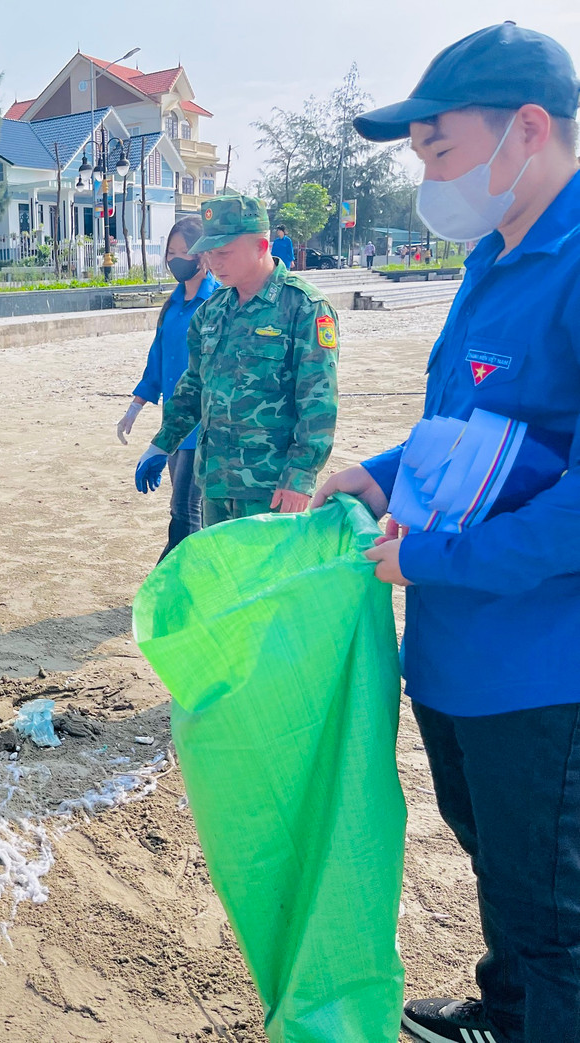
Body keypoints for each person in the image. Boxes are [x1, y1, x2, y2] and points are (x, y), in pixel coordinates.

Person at [312, 23, 580, 1043]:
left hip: (541, 667)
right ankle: (505, 1012)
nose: (426, 178)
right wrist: (368, 478)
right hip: (456, 652)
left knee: (554, 912)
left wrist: (431, 555)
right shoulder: (488, 256)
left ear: (525, 129)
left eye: (437, 150)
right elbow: (456, 436)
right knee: (498, 863)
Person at [134, 193, 338, 525]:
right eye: (210, 252)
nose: (214, 263)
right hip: (215, 482)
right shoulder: (211, 311)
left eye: (224, 253)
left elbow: (318, 401)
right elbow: (194, 387)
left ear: (261, 246)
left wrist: (300, 474)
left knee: (268, 578)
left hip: (271, 489)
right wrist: (163, 443)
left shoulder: (304, 308)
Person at [118, 215, 219, 557]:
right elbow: (158, 359)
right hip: (174, 425)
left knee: (186, 510)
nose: (176, 259)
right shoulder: (172, 306)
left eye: (184, 251)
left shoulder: (217, 303)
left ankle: (171, 579)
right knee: (186, 509)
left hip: (203, 424)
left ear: (203, 255)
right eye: (171, 251)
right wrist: (136, 405)